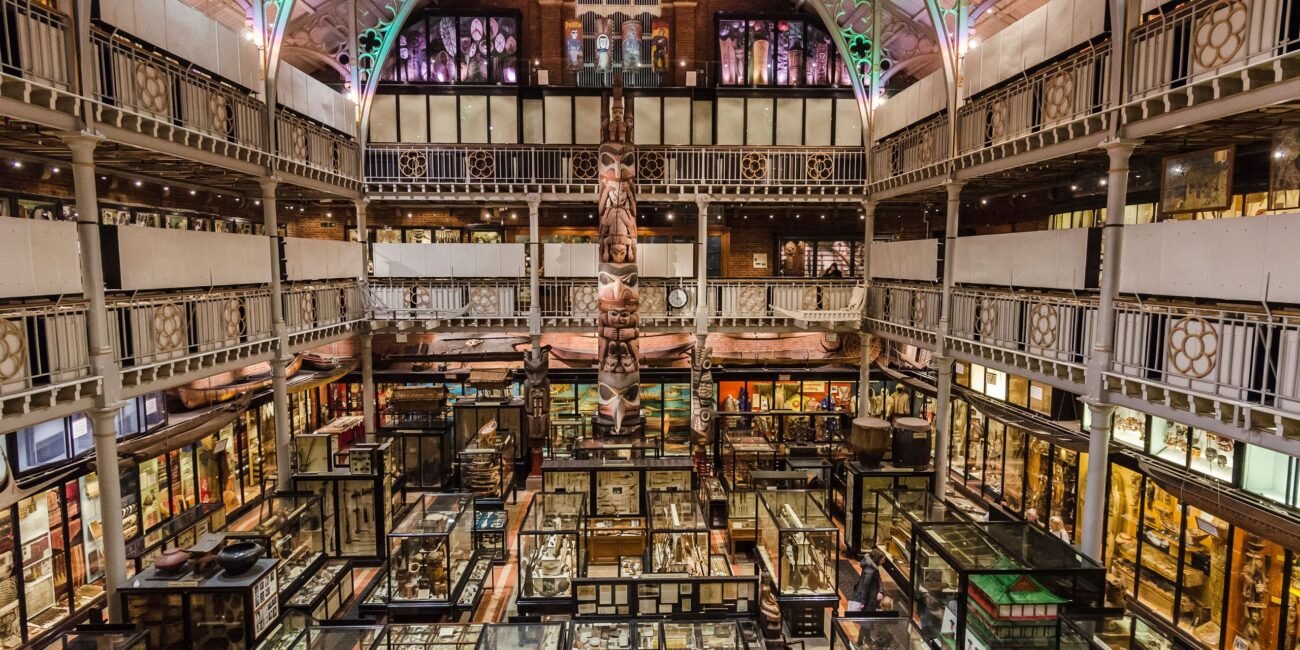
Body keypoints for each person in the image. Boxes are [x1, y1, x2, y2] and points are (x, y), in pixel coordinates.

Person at [848, 548, 886, 613]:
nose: (883, 562)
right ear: (877, 559)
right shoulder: (870, 570)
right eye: (882, 560)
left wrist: (880, 591)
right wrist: (862, 602)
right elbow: (864, 586)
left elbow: (878, 579)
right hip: (868, 598)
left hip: (870, 596)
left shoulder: (872, 568)